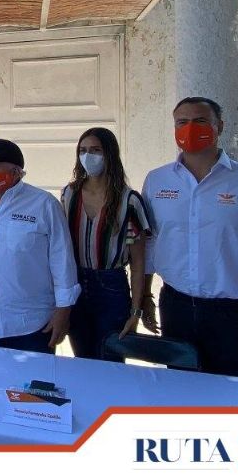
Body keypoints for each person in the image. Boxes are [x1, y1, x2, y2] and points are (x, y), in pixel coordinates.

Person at [141, 97, 238, 377]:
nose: (189, 128)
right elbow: (150, 242)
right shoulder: (157, 180)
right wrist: (144, 294)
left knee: (229, 394)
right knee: (178, 389)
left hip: (232, 314)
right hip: (176, 307)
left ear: (219, 126)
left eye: (200, 120)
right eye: (181, 122)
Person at [0, 139, 79, 353]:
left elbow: (62, 260)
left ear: (16, 172)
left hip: (32, 325)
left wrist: (64, 311)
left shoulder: (44, 204)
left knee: (32, 386)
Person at [61, 127, 156, 361]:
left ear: (110, 154)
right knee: (83, 359)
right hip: (76, 285)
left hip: (111, 287)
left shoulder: (129, 200)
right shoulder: (69, 195)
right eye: (82, 151)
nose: (88, 156)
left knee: (111, 361)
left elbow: (138, 261)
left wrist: (136, 310)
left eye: (95, 150)